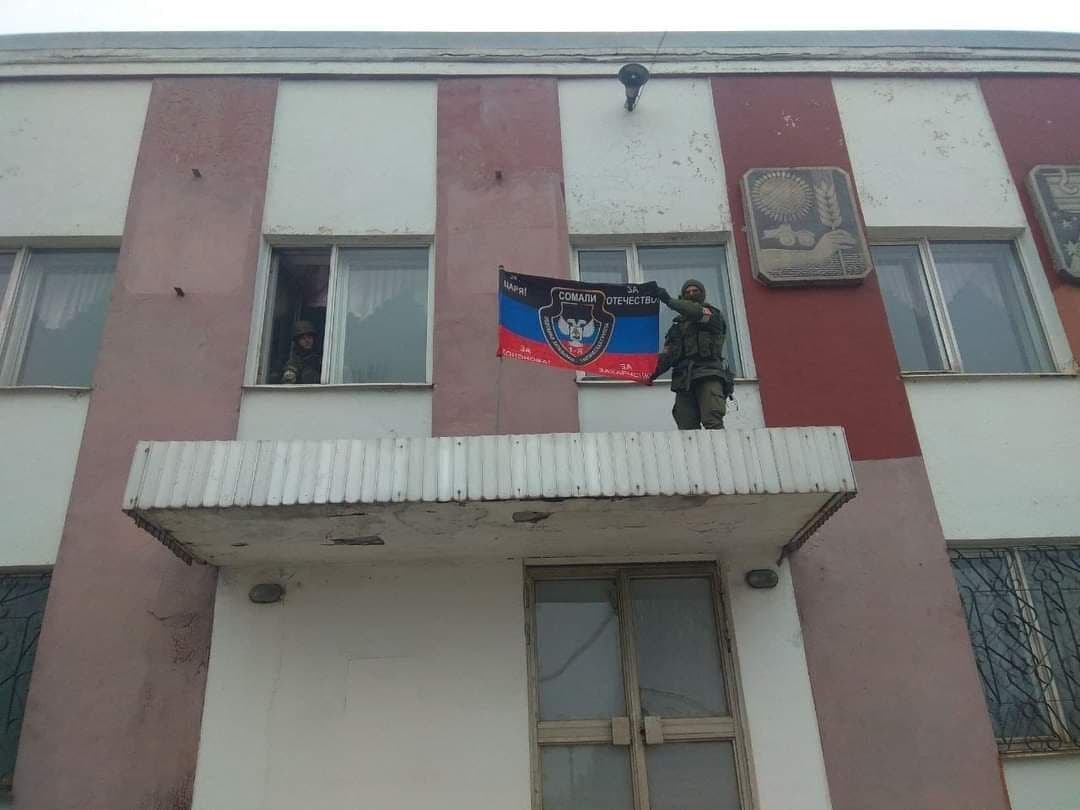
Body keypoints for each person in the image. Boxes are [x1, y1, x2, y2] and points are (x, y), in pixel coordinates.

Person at [648, 279, 734, 430]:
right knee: (686, 426)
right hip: (684, 381)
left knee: (712, 420)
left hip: (708, 374)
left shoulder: (710, 315)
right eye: (687, 292)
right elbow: (668, 357)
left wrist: (668, 300)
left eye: (695, 291)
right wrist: (649, 373)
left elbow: (695, 311)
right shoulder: (677, 329)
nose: (691, 294)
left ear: (702, 294)